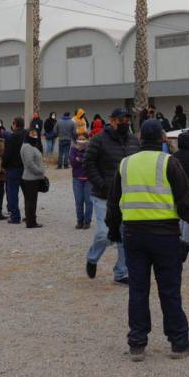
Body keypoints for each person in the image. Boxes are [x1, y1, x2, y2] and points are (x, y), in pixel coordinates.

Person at [106, 119, 189, 362]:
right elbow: (186, 202)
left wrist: (113, 229)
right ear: (163, 138)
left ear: (140, 138)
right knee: (170, 290)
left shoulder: (125, 164)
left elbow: (113, 202)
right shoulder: (169, 163)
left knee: (138, 290)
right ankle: (178, 342)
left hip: (133, 235)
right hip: (165, 236)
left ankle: (137, 344)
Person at [85, 107, 138, 283]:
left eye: (127, 120)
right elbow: (89, 163)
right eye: (121, 120)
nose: (125, 123)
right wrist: (101, 184)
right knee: (105, 232)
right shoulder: (98, 140)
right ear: (112, 120)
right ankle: (92, 258)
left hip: (125, 197)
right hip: (103, 195)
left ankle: (121, 272)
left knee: (124, 235)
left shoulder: (133, 141)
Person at [0, 118, 27, 224]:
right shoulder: (27, 134)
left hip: (13, 168)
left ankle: (15, 216)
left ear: (15, 124)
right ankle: (29, 214)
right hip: (26, 168)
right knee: (28, 193)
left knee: (12, 193)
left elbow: (8, 154)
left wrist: (3, 165)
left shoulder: (12, 136)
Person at [20, 129, 47, 228]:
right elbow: (29, 163)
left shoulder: (31, 146)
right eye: (32, 134)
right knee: (31, 201)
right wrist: (40, 171)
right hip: (30, 178)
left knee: (31, 201)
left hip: (33, 178)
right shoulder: (27, 147)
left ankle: (31, 220)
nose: (34, 136)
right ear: (27, 135)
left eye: (36, 134)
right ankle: (31, 222)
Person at [69, 134, 92, 229]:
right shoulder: (73, 149)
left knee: (89, 201)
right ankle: (80, 221)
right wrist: (81, 159)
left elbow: (90, 162)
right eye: (79, 139)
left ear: (87, 140)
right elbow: (72, 162)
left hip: (88, 179)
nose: (81, 141)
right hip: (77, 179)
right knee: (78, 201)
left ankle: (87, 221)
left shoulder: (91, 149)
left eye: (83, 139)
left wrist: (79, 159)